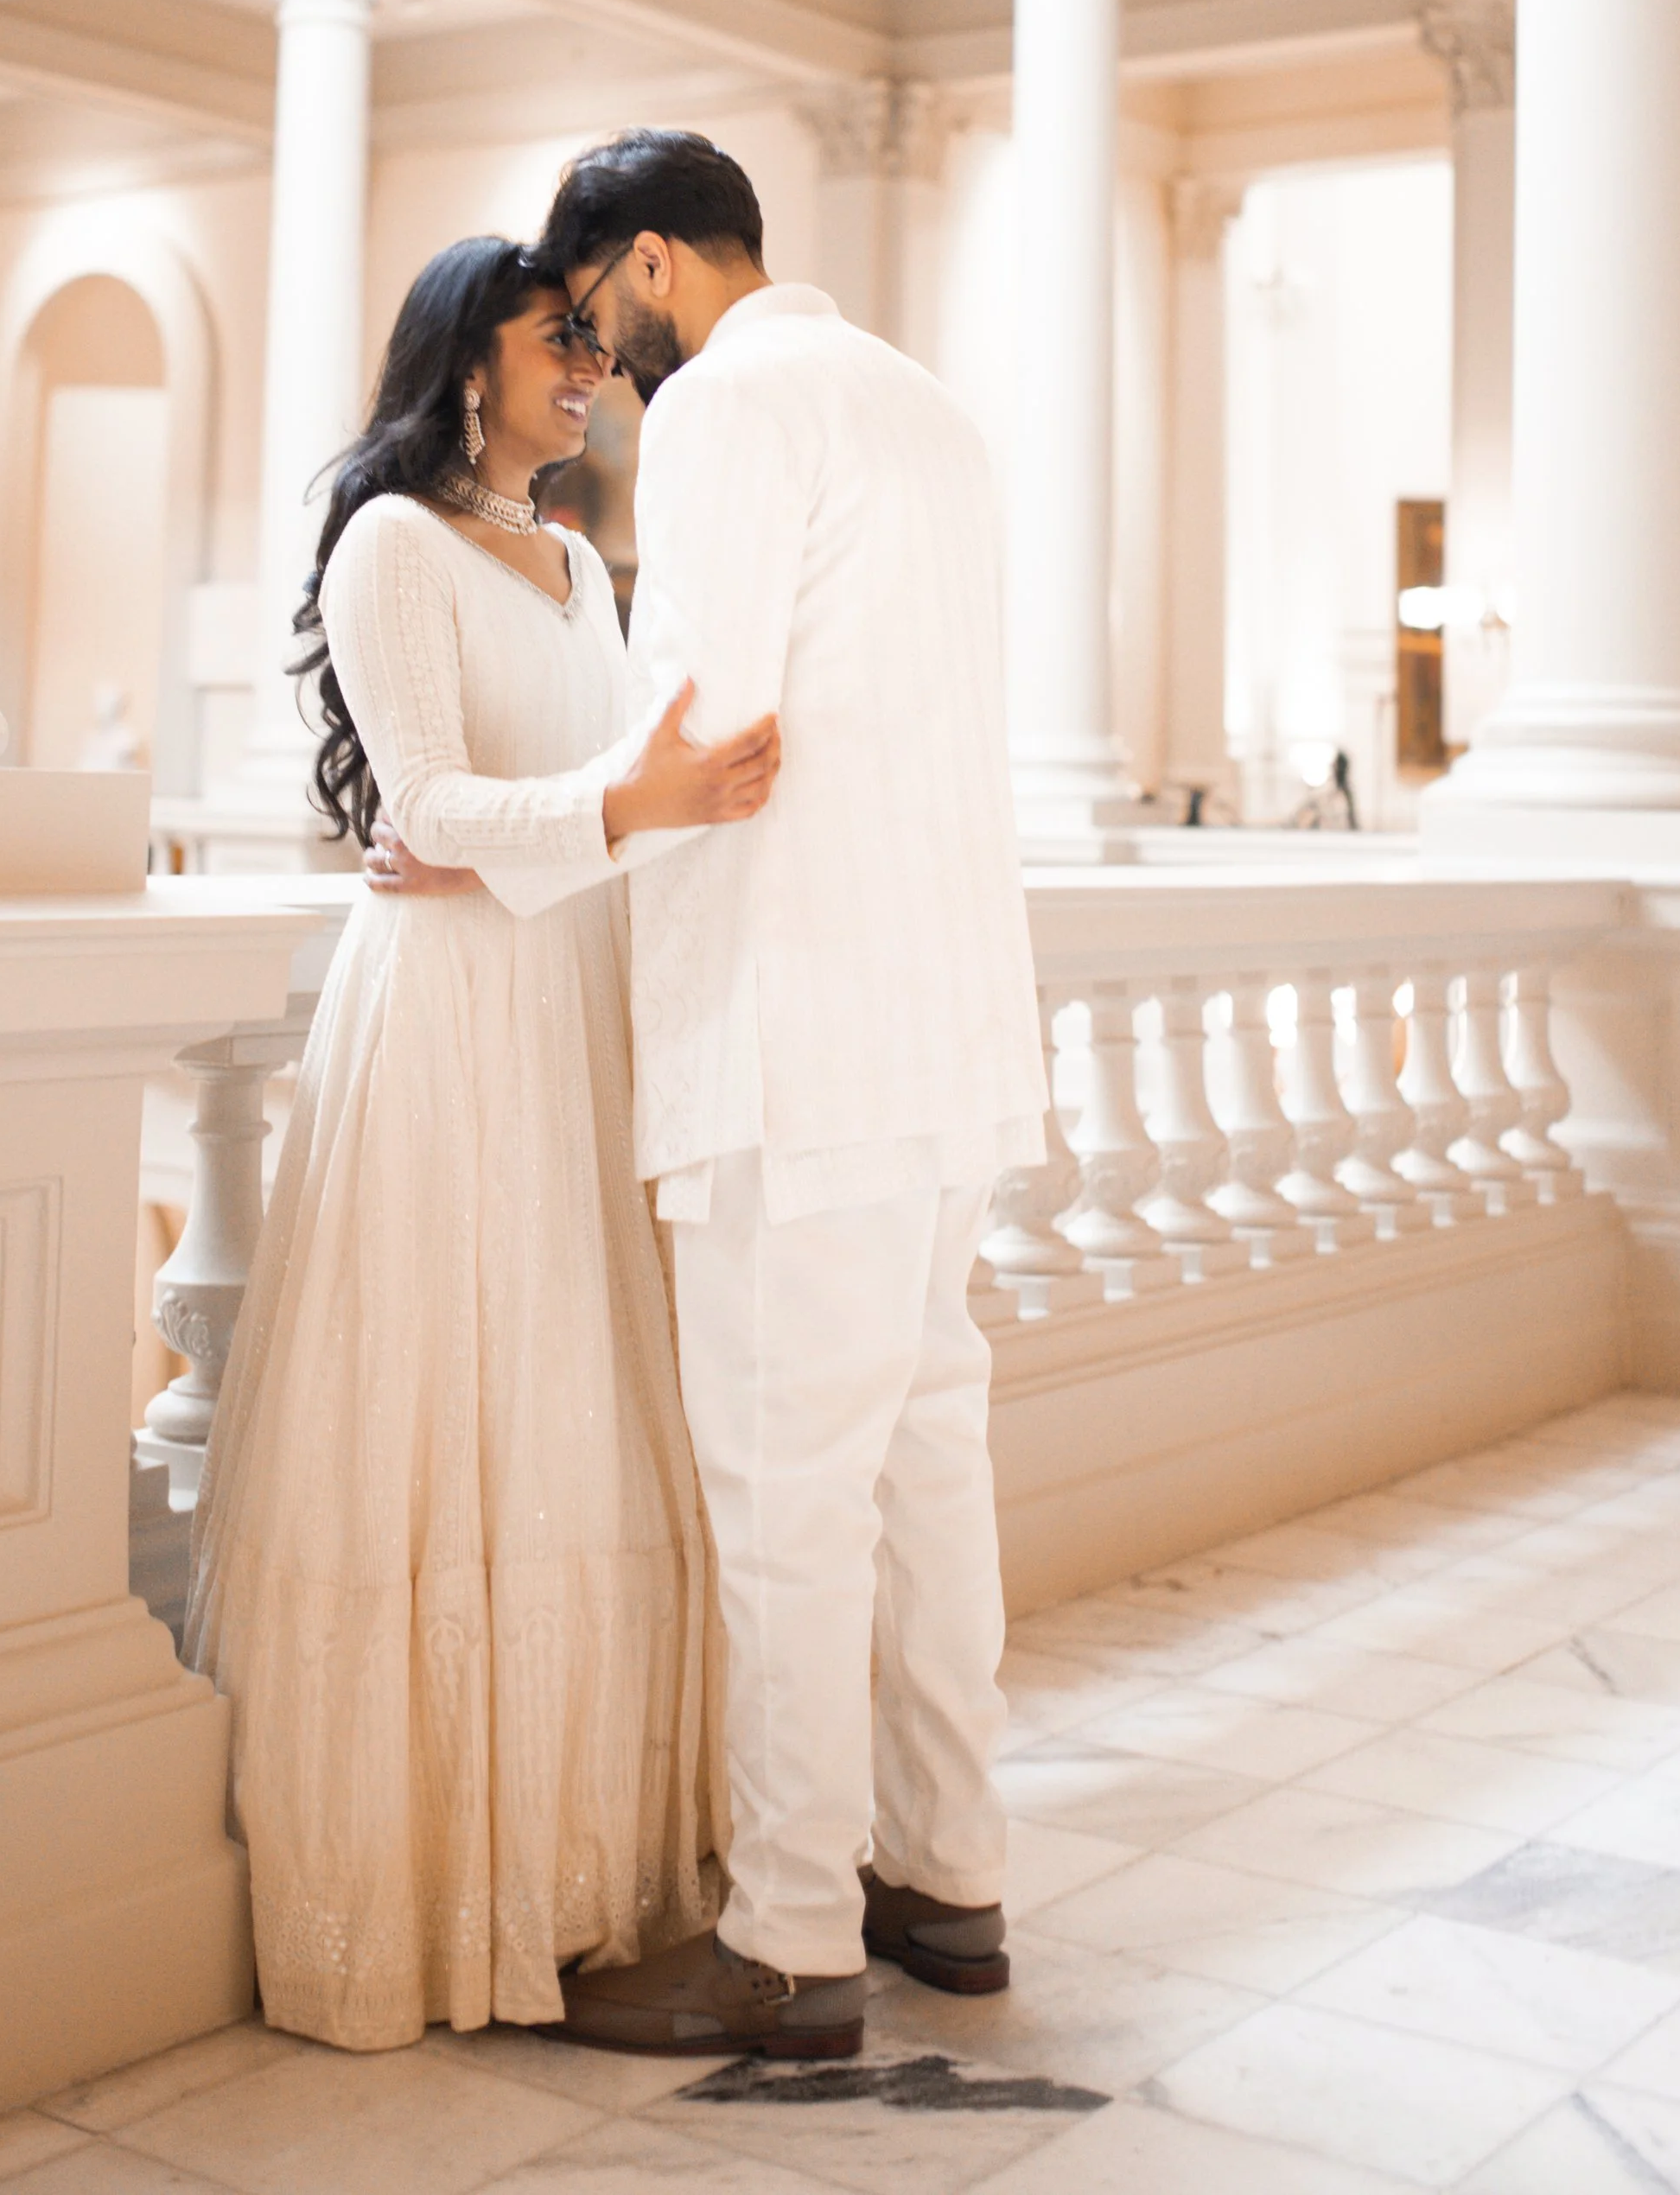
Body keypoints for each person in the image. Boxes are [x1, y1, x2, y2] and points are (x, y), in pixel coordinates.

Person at [376, 132, 1049, 2064]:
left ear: (652, 262)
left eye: (592, 312)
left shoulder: (739, 407)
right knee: (926, 1462)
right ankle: (951, 1877)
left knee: (782, 1497)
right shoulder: (925, 405)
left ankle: (783, 1937)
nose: (592, 357)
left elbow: (706, 725)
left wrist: (515, 835)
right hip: (943, 1032)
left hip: (796, 1033)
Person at [184, 234, 779, 2052]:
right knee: (448, 1398)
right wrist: (621, 801)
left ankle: (581, 1871)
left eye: (596, 344)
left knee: (577, 1393)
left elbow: (519, 811)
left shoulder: (577, 561)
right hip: (446, 1020)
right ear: (468, 363)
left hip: (564, 995)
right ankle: (431, 1890)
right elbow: (426, 805)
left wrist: (623, 810)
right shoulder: (388, 543)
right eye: (559, 342)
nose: (589, 370)